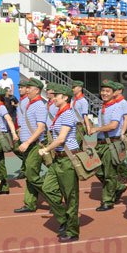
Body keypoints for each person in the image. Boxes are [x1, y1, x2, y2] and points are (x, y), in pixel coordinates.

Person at [39, 84, 80, 242]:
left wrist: (46, 149)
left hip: (68, 159)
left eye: (57, 95)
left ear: (65, 98)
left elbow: (62, 138)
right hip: (59, 158)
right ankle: (64, 219)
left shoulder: (68, 114)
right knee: (47, 188)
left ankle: (72, 231)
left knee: (71, 196)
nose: (54, 97)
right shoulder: (60, 112)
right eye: (54, 95)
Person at [90, 80, 127, 211]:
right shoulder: (103, 107)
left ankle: (107, 201)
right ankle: (118, 187)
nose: (104, 93)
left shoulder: (117, 106)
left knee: (109, 174)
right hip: (100, 144)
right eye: (103, 91)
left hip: (111, 144)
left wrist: (97, 129)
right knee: (95, 169)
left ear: (113, 93)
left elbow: (113, 125)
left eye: (107, 91)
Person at [14, 78, 49, 213]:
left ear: (37, 90)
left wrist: (27, 141)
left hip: (34, 145)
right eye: (26, 87)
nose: (26, 90)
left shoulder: (39, 105)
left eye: (30, 88)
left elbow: (40, 128)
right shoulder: (29, 103)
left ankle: (54, 195)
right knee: (30, 175)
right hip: (28, 145)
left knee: (31, 174)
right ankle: (29, 203)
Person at [71, 81, 92, 148]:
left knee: (74, 145)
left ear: (80, 88)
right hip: (72, 126)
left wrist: (88, 127)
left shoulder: (83, 101)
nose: (73, 89)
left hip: (79, 125)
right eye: (72, 87)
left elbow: (85, 115)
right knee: (78, 146)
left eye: (74, 87)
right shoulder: (72, 100)